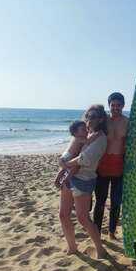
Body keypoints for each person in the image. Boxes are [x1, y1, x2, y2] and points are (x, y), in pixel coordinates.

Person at [58, 105, 108, 258]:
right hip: (69, 177)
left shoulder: (100, 138)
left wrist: (66, 164)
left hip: (84, 180)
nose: (89, 119)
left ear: (100, 119)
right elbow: (70, 149)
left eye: (93, 116)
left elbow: (85, 159)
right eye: (87, 116)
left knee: (83, 218)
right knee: (63, 215)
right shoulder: (83, 133)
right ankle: (72, 247)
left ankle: (100, 249)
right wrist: (64, 159)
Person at [93, 92, 128, 240]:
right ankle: (96, 231)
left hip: (119, 166)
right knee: (100, 201)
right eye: (113, 105)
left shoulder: (128, 122)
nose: (115, 108)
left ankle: (112, 232)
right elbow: (88, 129)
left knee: (116, 202)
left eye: (118, 105)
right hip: (102, 165)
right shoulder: (103, 121)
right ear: (109, 106)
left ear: (123, 106)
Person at [54, 120, 99, 189]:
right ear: (75, 133)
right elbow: (89, 141)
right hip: (68, 156)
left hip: (69, 155)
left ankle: (63, 179)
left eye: (86, 129)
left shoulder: (79, 137)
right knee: (68, 168)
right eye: (83, 130)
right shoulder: (78, 138)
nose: (86, 131)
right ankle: (61, 180)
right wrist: (96, 134)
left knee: (69, 168)